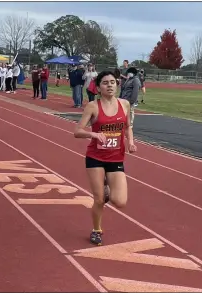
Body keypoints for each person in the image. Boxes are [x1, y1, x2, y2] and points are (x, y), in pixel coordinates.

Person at [74, 70, 137, 246]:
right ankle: (96, 230)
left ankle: (108, 188)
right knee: (99, 199)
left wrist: (130, 143)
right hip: (96, 157)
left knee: (120, 202)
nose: (109, 85)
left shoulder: (124, 104)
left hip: (116, 158)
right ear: (99, 87)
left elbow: (128, 127)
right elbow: (77, 132)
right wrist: (94, 135)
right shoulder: (93, 106)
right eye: (105, 83)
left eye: (112, 82)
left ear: (117, 85)